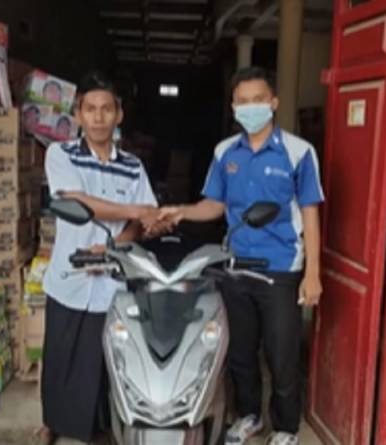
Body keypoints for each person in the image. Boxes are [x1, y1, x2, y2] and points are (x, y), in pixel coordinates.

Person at [157, 67, 324, 445]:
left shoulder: (298, 152)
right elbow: (215, 205)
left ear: (274, 102)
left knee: (281, 355)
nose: (251, 107)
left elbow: (310, 212)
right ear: (233, 107)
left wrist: (313, 273)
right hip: (234, 265)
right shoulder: (225, 152)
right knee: (240, 352)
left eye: (258, 100)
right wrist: (182, 211)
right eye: (243, 101)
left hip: (281, 268)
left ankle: (285, 427)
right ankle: (249, 415)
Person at [36, 71, 167, 445]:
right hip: (70, 277)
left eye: (106, 109)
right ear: (78, 114)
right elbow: (77, 201)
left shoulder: (133, 166)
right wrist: (133, 209)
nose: (98, 117)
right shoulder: (60, 154)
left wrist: (114, 247)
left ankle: (101, 428)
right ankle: (52, 423)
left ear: (118, 114)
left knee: (105, 361)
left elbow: (143, 221)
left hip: (112, 281)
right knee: (60, 356)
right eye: (90, 109)